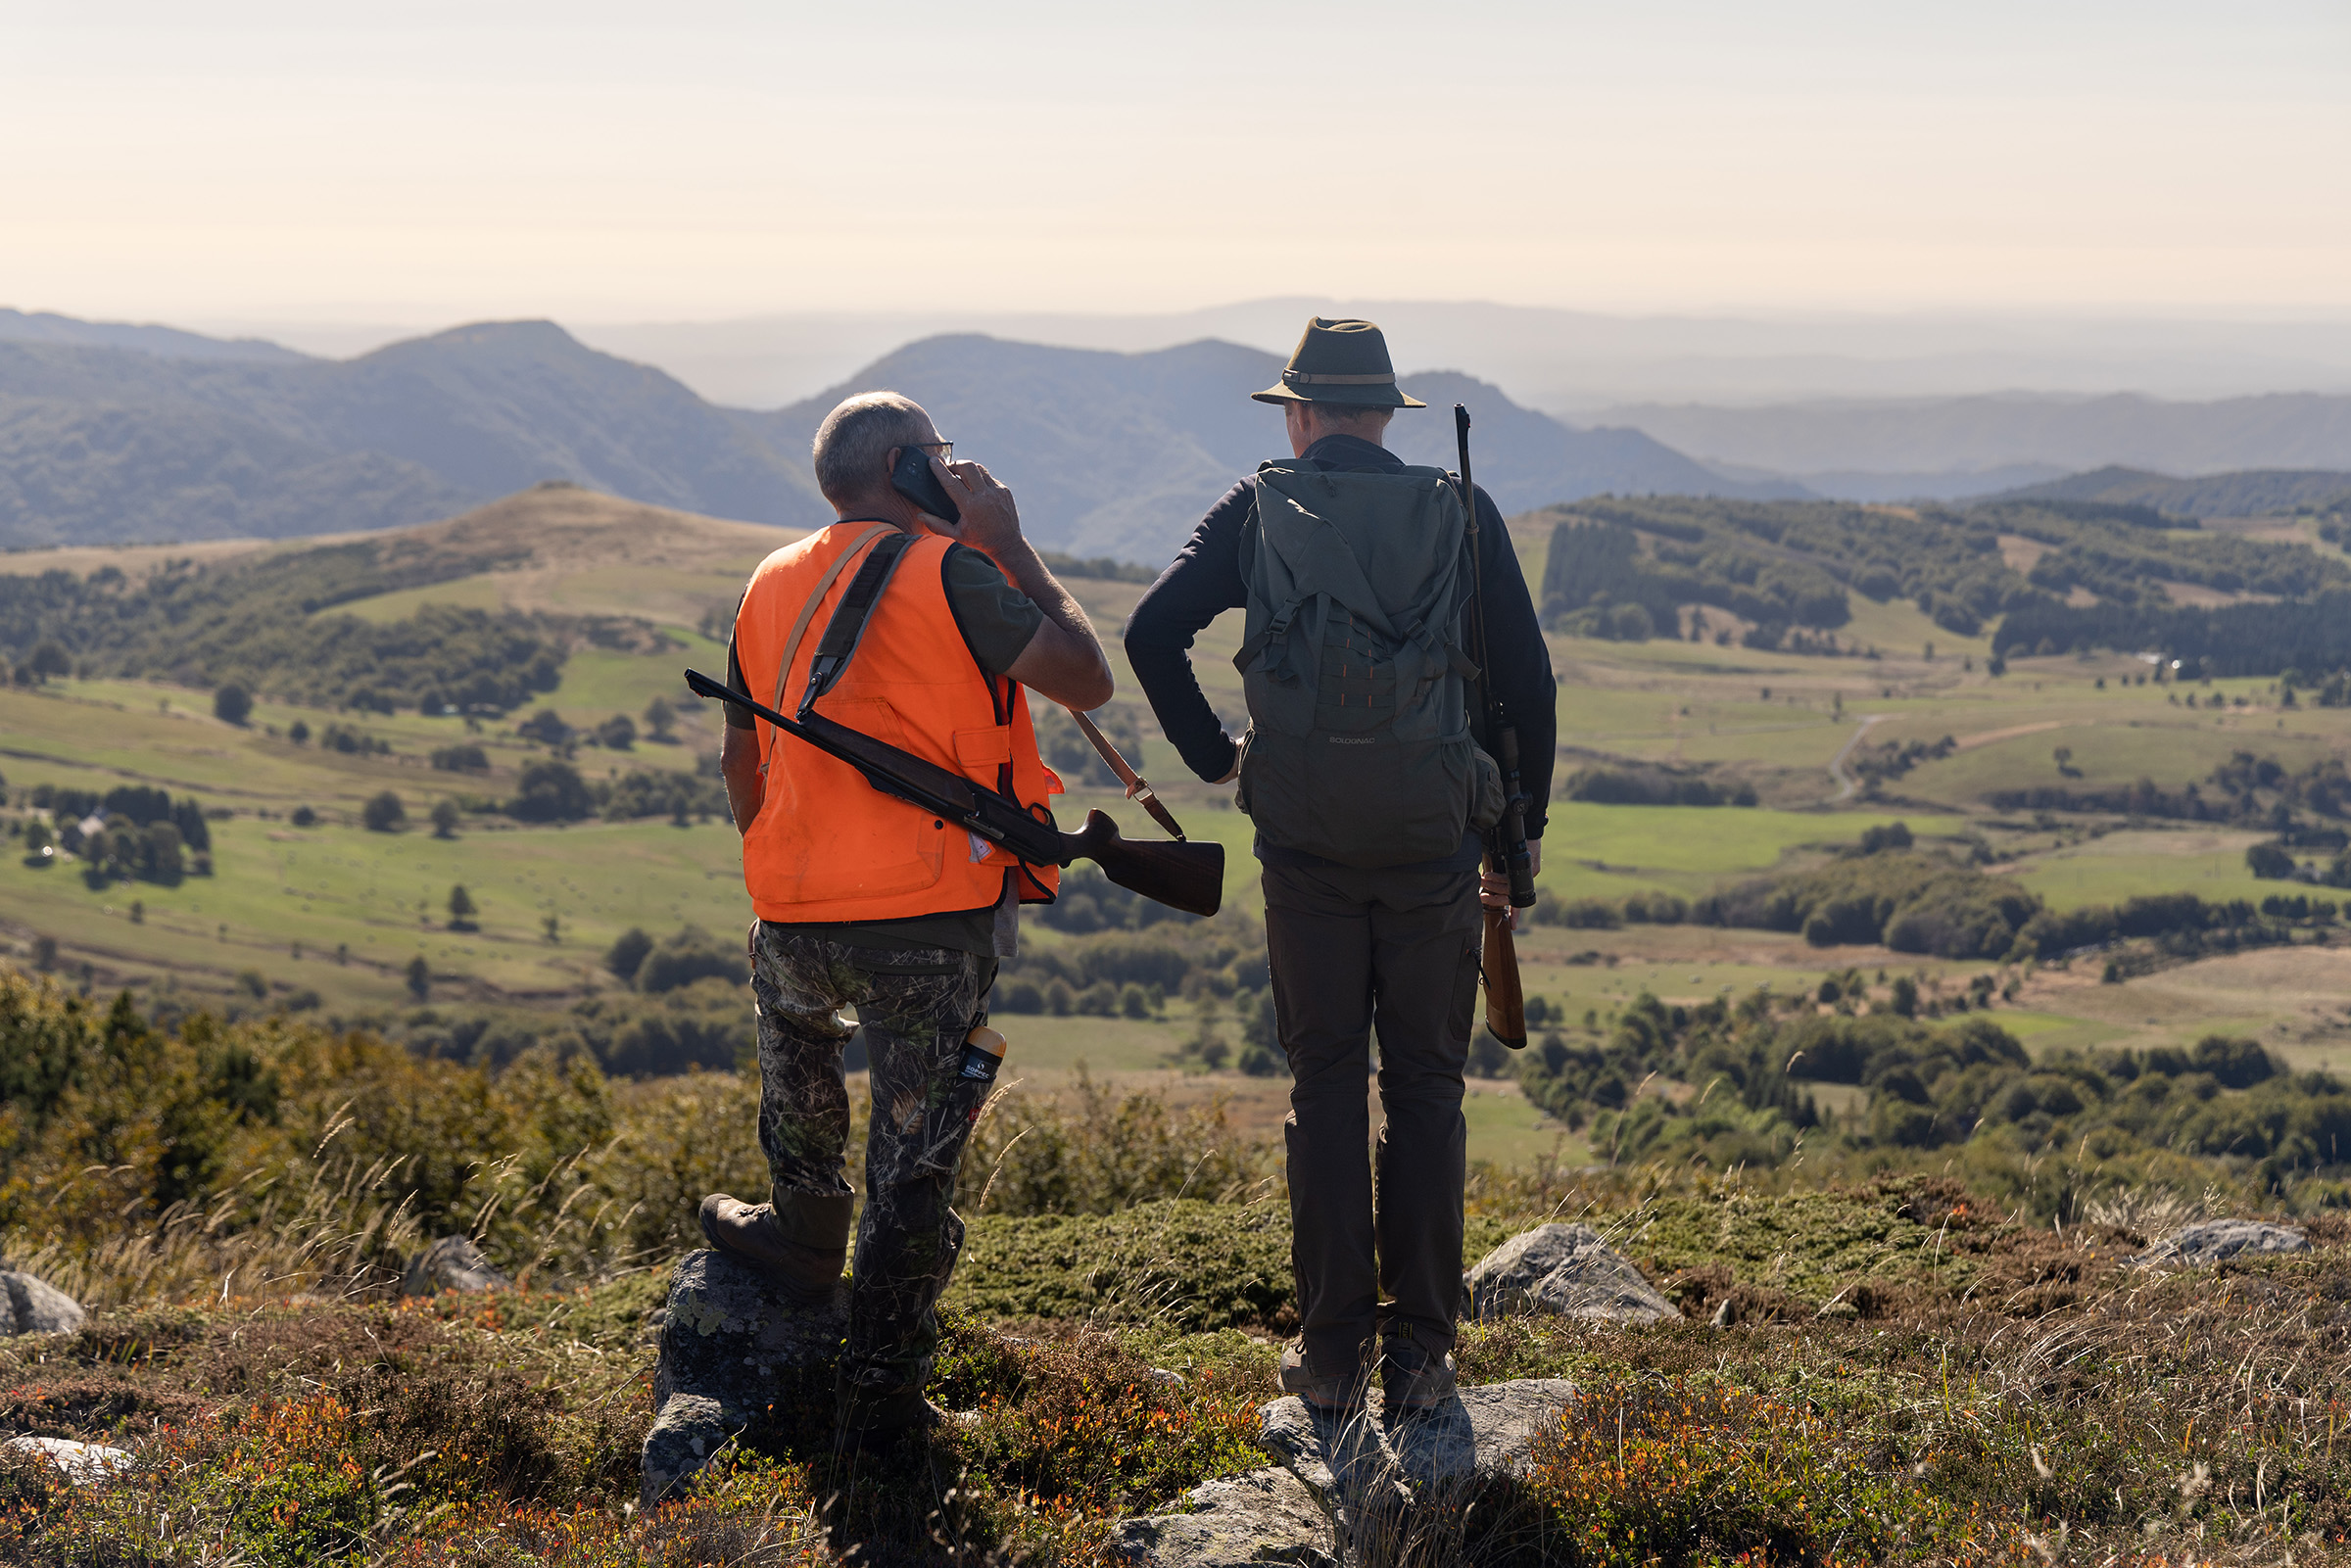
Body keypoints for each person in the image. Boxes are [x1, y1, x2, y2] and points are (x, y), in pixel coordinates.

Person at [1125, 317, 1555, 1413]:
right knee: (1425, 1087)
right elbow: (1526, 687)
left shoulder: (1256, 507)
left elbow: (1151, 630)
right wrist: (1516, 843)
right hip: (1433, 844)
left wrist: (1218, 758)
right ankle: (1420, 1351)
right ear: (1385, 415)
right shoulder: (1459, 510)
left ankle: (1329, 1352)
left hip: (1306, 845)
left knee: (1324, 1088)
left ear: (1301, 415)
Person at [703, 391, 1113, 1449]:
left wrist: (779, 859)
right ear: (908, 469)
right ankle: (882, 1391)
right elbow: (1087, 677)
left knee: (796, 1057)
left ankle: (801, 1226)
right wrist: (1012, 542)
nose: (955, 466)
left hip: (791, 912)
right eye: (941, 454)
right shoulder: (957, 574)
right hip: (929, 918)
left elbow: (741, 757)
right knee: (912, 1159)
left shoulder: (767, 579)